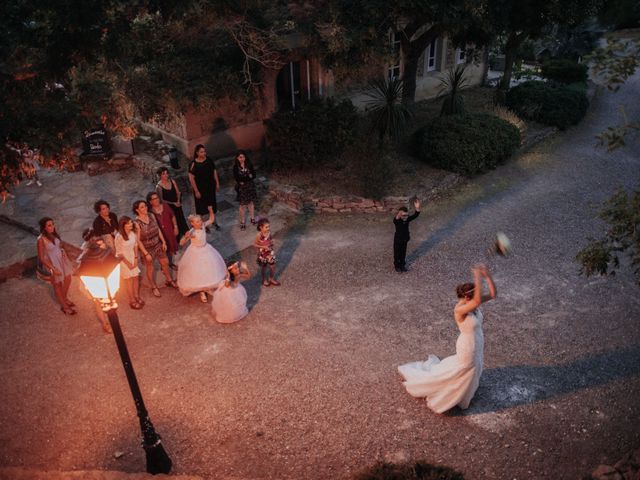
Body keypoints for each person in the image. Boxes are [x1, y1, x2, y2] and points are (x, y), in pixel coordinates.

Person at [398, 264, 497, 413]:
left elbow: (493, 294)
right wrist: (477, 276)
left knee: (474, 366)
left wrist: (487, 275)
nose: (477, 297)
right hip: (467, 345)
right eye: (475, 294)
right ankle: (456, 396)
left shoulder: (471, 304)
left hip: (477, 341)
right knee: (467, 368)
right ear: (466, 297)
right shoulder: (460, 309)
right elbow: (477, 301)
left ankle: (466, 393)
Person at [177, 214, 227, 302]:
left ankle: (207, 287)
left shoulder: (203, 225)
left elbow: (211, 220)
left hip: (206, 249)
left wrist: (211, 210)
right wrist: (186, 236)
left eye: (200, 220)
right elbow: (181, 243)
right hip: (195, 252)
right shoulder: (192, 232)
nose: (200, 222)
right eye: (197, 221)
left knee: (208, 270)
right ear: (192, 224)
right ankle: (201, 291)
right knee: (198, 272)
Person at [132, 199, 177, 298]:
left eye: (145, 206)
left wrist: (163, 241)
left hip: (157, 244)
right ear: (137, 210)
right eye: (142, 207)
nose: (145, 208)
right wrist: (146, 253)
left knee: (165, 262)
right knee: (150, 268)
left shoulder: (151, 215)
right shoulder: (136, 223)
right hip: (147, 248)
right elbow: (138, 240)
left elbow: (158, 229)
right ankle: (153, 286)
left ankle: (169, 280)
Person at [78, 229, 114, 333]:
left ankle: (111, 317)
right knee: (97, 302)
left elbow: (109, 255)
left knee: (107, 298)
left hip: (104, 275)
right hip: (92, 279)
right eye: (92, 238)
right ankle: (105, 324)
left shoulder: (101, 243)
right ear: (88, 240)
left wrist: (104, 248)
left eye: (95, 236)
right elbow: (81, 267)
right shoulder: (84, 250)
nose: (95, 239)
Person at [36, 217, 76, 315]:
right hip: (52, 264)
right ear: (44, 227)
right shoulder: (41, 240)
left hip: (62, 260)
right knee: (57, 284)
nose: (52, 226)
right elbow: (41, 257)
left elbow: (59, 246)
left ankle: (64, 298)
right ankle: (64, 306)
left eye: (53, 224)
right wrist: (52, 269)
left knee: (68, 278)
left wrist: (62, 251)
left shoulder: (54, 234)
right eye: (49, 225)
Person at [188, 144, 220, 232]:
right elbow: (191, 178)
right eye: (202, 152)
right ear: (197, 153)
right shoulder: (193, 164)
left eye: (204, 151)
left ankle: (214, 222)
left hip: (210, 187)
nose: (204, 153)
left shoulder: (209, 160)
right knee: (202, 208)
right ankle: (204, 225)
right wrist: (196, 191)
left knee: (212, 205)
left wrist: (217, 183)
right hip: (200, 189)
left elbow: (214, 172)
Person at [114, 216, 143, 310]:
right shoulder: (119, 237)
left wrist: (135, 258)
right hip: (124, 260)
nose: (131, 224)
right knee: (129, 280)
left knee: (136, 278)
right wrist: (128, 263)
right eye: (129, 223)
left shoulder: (132, 233)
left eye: (131, 222)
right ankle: (131, 300)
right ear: (123, 225)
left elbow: (135, 245)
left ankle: (137, 296)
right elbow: (118, 253)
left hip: (132, 257)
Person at [155, 166, 189, 240]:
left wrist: (178, 201)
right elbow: (161, 200)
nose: (166, 175)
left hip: (177, 203)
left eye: (167, 173)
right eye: (163, 174)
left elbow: (178, 192)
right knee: (173, 220)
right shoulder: (159, 187)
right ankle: (177, 236)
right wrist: (173, 203)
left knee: (181, 217)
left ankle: (185, 232)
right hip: (169, 206)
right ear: (160, 175)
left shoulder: (172, 181)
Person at [147, 191, 179, 269]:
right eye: (154, 199)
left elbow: (173, 216)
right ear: (150, 202)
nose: (156, 200)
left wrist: (175, 227)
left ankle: (170, 263)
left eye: (157, 197)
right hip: (159, 234)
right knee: (162, 249)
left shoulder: (165, 205)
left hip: (169, 230)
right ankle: (163, 265)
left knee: (170, 247)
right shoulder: (150, 212)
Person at [393, 198, 421, 273]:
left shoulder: (407, 219)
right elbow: (397, 217)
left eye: (405, 215)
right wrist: (400, 213)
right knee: (397, 253)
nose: (404, 217)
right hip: (397, 240)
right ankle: (397, 266)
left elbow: (416, 215)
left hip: (405, 239)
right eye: (403, 215)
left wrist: (417, 208)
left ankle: (402, 265)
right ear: (400, 214)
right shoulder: (396, 220)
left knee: (403, 253)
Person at [232, 150, 257, 230]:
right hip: (242, 188)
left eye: (243, 157)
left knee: (250, 203)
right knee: (242, 205)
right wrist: (248, 177)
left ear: (245, 157)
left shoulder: (249, 165)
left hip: (250, 186)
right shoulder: (235, 167)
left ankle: (252, 218)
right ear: (237, 158)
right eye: (240, 157)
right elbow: (237, 178)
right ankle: (242, 222)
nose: (241, 159)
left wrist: (244, 179)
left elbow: (254, 175)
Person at [254, 217, 280, 287]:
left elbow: (270, 239)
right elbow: (255, 244)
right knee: (264, 267)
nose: (268, 228)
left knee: (273, 266)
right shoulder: (259, 235)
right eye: (266, 227)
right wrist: (263, 247)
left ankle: (271, 278)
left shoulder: (269, 233)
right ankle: (264, 279)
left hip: (270, 253)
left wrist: (272, 242)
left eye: (268, 226)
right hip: (263, 254)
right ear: (261, 227)